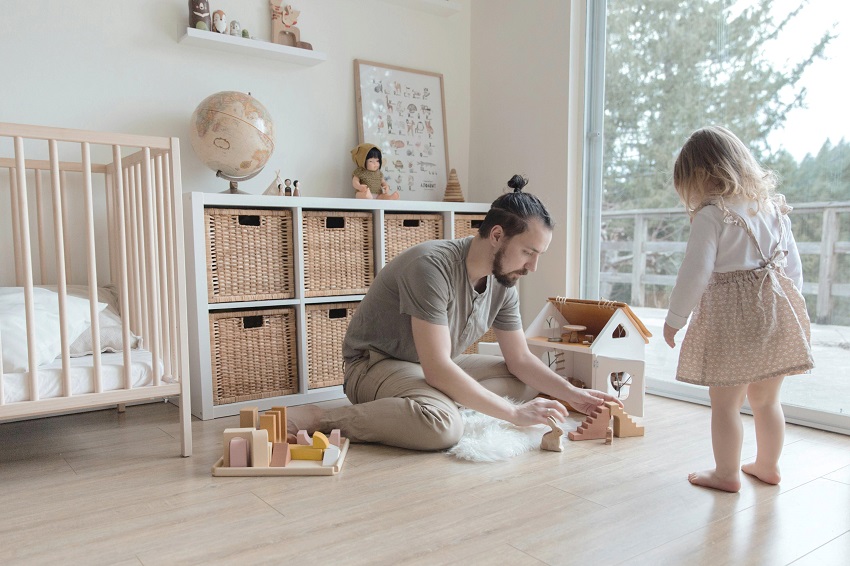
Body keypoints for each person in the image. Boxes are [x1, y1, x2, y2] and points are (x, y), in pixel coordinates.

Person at [287, 175, 622, 450]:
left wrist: (576, 396)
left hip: (432, 364)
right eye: (528, 252)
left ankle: (431, 404)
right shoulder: (430, 267)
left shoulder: (503, 281)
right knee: (444, 428)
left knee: (523, 383)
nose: (532, 266)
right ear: (496, 235)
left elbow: (520, 359)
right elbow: (437, 368)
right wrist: (512, 415)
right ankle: (323, 419)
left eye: (539, 255)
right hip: (375, 364)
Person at [662, 126, 814, 492]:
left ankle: (727, 473)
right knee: (766, 400)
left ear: (700, 176)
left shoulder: (713, 215)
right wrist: (796, 311)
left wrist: (674, 320)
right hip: (777, 312)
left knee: (726, 403)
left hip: (733, 320)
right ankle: (767, 465)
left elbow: (694, 273)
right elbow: (793, 271)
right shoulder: (774, 210)